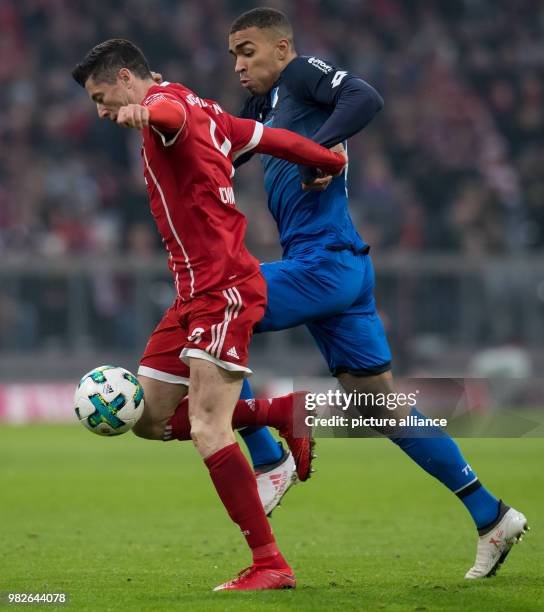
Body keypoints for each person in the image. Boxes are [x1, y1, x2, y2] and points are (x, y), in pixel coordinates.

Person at [221, 7, 527, 579]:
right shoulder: (264, 107)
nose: (238, 63)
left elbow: (365, 96)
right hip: (340, 268)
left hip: (324, 263)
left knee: (217, 308)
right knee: (377, 406)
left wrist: (326, 147)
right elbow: (224, 147)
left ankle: (269, 455)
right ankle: (491, 515)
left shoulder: (301, 76)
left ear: (281, 48)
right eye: (233, 54)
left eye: (247, 50)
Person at [72, 38, 346, 591]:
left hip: (221, 291)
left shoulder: (169, 114)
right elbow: (274, 138)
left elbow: (167, 116)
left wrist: (144, 113)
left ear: (127, 79)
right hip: (191, 296)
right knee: (149, 420)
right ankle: (285, 411)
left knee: (206, 426)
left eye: (103, 97)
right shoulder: (211, 110)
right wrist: (328, 160)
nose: (101, 111)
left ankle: (269, 563)